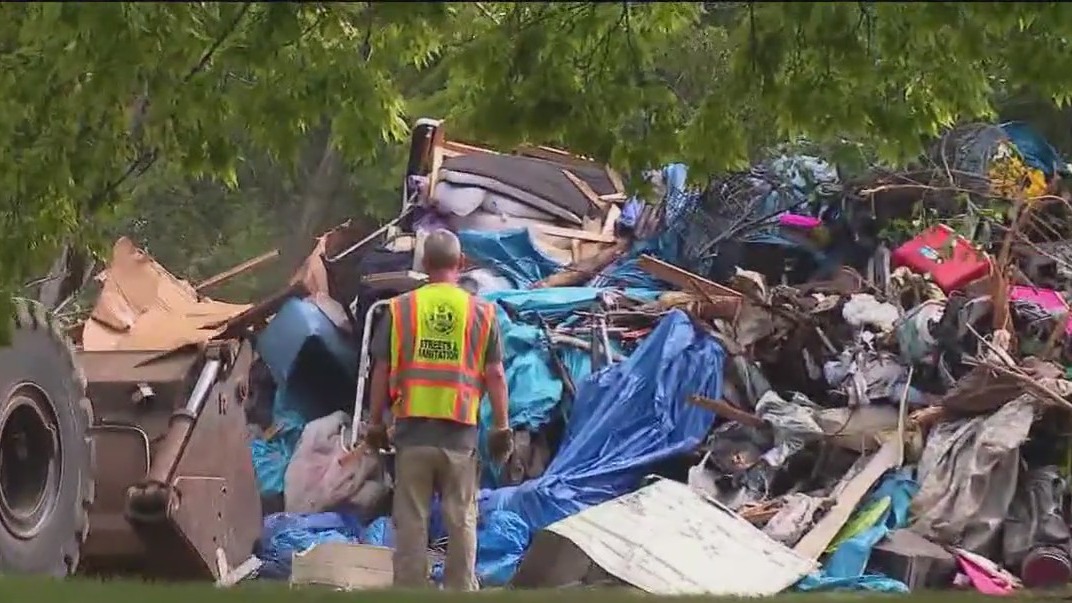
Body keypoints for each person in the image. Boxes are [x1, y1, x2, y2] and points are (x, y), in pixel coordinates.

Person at [364, 228, 512, 591]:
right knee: (461, 519)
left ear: (424, 264)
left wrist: (375, 423)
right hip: (460, 436)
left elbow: (380, 370)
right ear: (461, 264)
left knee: (411, 521)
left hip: (413, 434)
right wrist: (501, 428)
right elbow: (495, 374)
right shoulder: (482, 312)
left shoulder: (401, 309)